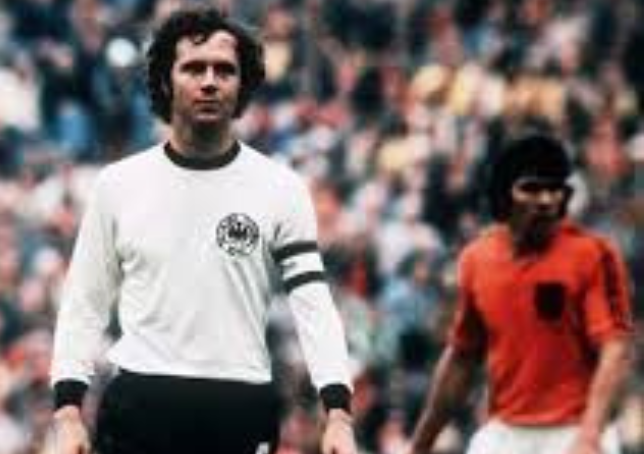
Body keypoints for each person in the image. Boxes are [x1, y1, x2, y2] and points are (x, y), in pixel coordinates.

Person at [49, 6, 358, 454]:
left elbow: (314, 306)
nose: (210, 81)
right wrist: (67, 412)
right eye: (194, 68)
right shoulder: (118, 185)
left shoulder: (281, 188)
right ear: (165, 81)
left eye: (224, 70)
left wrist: (339, 414)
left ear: (242, 85)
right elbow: (84, 303)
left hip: (240, 408)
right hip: (141, 406)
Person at [405, 132, 635, 454]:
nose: (546, 199)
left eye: (554, 188)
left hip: (575, 431)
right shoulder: (476, 260)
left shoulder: (595, 255)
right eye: (531, 188)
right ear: (504, 195)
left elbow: (616, 348)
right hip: (506, 433)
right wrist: (420, 445)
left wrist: (589, 435)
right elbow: (462, 357)